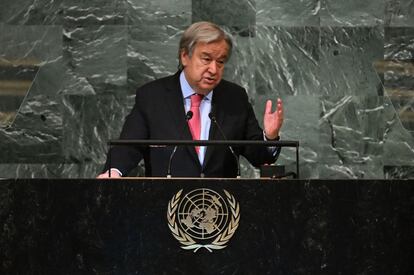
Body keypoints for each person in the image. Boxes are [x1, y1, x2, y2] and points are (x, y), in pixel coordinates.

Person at [98, 21, 284, 178]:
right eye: (206, 59)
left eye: (220, 62)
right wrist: (114, 172)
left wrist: (270, 136)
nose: (213, 69)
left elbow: (258, 156)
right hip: (165, 206)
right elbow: (129, 146)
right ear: (185, 56)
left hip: (221, 209)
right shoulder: (153, 96)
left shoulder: (234, 98)